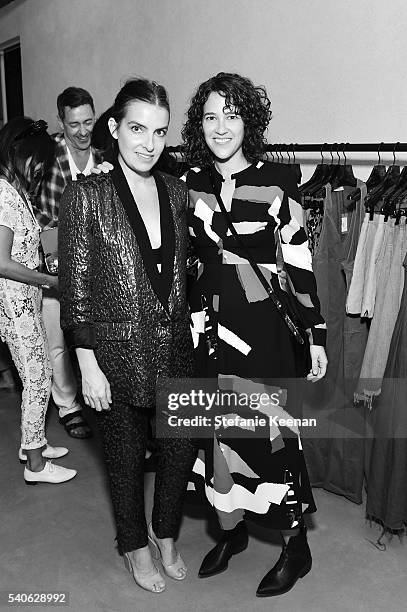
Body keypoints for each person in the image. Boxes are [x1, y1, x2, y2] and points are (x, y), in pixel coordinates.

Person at [181, 72, 328, 597]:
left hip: (264, 334)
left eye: (233, 114)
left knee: (272, 438)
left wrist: (316, 335)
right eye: (211, 116)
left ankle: (296, 546)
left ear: (251, 120)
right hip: (207, 335)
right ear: (200, 124)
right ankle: (232, 529)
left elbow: (301, 266)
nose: (222, 126)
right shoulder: (190, 184)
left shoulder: (279, 184)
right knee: (218, 439)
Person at [58, 78, 197, 594]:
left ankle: (165, 533)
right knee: (122, 460)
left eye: (159, 132)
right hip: (114, 355)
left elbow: (183, 275)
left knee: (178, 453)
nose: (148, 143)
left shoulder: (177, 191)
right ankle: (135, 545)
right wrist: (87, 362)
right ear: (113, 129)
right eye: (137, 128)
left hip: (174, 349)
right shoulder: (86, 194)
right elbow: (74, 292)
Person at [0, 117, 76, 484]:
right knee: (38, 377)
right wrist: (49, 280)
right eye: (39, 160)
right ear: (19, 153)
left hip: (26, 300)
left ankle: (33, 444)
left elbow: (25, 244)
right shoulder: (2, 193)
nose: (42, 168)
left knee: (39, 371)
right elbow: (1, 262)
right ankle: (36, 465)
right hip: (15, 306)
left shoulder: (15, 191)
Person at [35, 86, 101, 439]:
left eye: (88, 122)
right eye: (74, 124)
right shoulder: (47, 159)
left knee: (98, 336)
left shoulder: (104, 156)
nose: (82, 131)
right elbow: (37, 216)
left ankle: (103, 399)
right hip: (55, 265)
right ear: (62, 121)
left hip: (97, 264)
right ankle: (68, 405)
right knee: (57, 339)